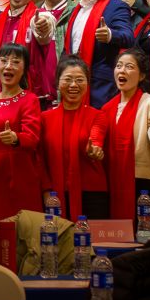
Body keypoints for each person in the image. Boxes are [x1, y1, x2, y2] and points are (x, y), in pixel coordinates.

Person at [0, 44, 42, 220]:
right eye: (3, 61)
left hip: (21, 173)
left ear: (24, 69)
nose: (8, 66)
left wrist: (16, 138)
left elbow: (33, 137)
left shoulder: (30, 99)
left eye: (16, 62)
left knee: (24, 228)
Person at [105, 49, 150, 226]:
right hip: (114, 181)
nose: (122, 70)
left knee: (145, 236)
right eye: (119, 66)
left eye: (129, 67)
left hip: (144, 183)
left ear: (142, 76)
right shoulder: (107, 108)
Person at [65, 0, 135, 106]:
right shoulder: (76, 9)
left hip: (100, 89)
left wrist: (110, 34)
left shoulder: (117, 7)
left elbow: (128, 37)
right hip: (72, 86)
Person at [41, 58, 102, 220]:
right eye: (68, 79)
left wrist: (95, 150)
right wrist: (46, 190)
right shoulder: (44, 118)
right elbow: (40, 158)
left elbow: (97, 138)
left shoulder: (97, 116)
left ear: (87, 84)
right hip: (53, 194)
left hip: (91, 194)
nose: (74, 85)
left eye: (80, 80)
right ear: (57, 83)